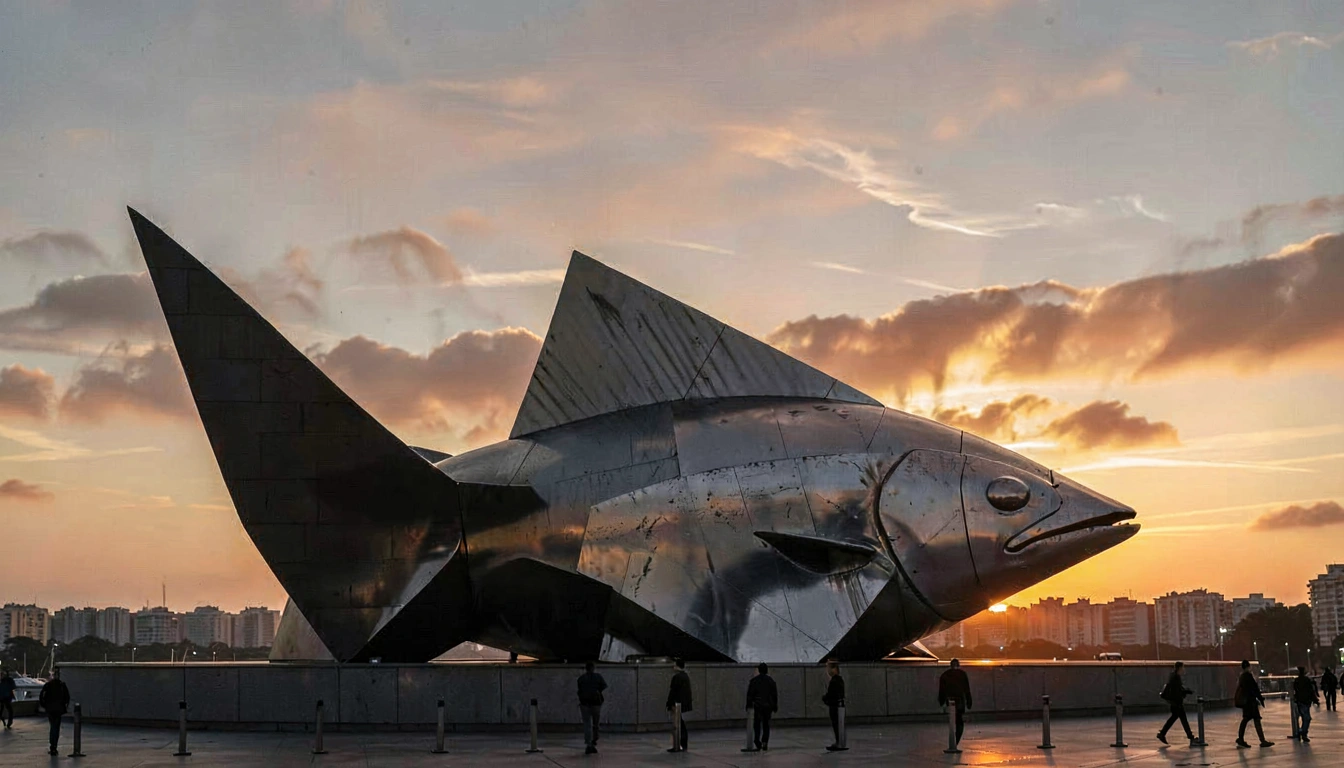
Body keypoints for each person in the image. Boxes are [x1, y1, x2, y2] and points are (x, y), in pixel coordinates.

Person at [1235, 659, 1274, 748]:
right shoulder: (1248, 676)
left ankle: (1241, 739)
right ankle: (1262, 740)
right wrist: (1260, 698)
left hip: (1246, 702)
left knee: (1246, 719)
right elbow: (1254, 688)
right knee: (1255, 720)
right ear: (1248, 667)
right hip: (1251, 702)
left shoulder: (1242, 677)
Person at [1156, 661, 1195, 745]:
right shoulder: (1175, 678)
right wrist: (1186, 692)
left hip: (1175, 702)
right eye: (1183, 667)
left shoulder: (1173, 676)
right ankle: (1162, 734)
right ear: (1180, 668)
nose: (1184, 669)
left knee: (1178, 719)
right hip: (1176, 703)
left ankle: (1162, 734)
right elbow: (1177, 691)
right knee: (1179, 719)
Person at [937, 659, 973, 746]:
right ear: (959, 665)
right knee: (959, 720)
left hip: (950, 700)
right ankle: (956, 741)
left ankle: (953, 741)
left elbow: (942, 690)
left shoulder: (945, 675)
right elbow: (967, 689)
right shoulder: (962, 674)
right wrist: (969, 701)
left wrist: (941, 701)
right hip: (960, 700)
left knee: (952, 719)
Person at [745, 662, 778, 751]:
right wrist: (775, 705)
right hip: (768, 706)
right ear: (766, 670)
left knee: (757, 724)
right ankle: (765, 742)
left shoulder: (754, 681)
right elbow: (774, 694)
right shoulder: (771, 681)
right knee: (766, 724)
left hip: (758, 705)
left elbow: (750, 694)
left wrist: (748, 704)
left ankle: (757, 740)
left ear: (759, 670)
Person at [576, 661, 607, 755]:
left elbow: (579, 690)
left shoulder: (581, 679)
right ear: (593, 668)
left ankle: (588, 743)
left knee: (587, 724)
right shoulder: (598, 677)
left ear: (586, 668)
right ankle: (594, 740)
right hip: (596, 703)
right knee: (595, 724)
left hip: (585, 704)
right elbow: (604, 686)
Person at [38, 667, 70, 756]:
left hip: (50, 709)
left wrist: (45, 706)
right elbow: (67, 697)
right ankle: (54, 746)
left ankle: (52, 746)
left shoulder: (47, 686)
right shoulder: (62, 685)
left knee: (52, 727)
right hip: (59, 709)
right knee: (56, 727)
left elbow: (41, 697)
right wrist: (64, 706)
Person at [665, 659, 692, 752]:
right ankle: (682, 744)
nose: (673, 667)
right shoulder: (685, 676)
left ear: (677, 666)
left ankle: (679, 745)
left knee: (678, 724)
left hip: (677, 704)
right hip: (683, 704)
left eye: (674, 665)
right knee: (681, 724)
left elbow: (673, 692)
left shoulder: (677, 677)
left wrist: (669, 703)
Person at [822, 661, 846, 751]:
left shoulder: (835, 681)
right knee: (838, 725)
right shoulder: (839, 680)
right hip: (839, 705)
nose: (828, 671)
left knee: (836, 724)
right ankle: (840, 742)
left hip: (835, 706)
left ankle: (839, 743)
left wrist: (825, 698)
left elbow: (832, 694)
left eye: (829, 668)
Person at [1292, 666, 1320, 742]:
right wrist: (1315, 700)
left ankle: (1301, 731)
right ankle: (1303, 732)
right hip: (1305, 701)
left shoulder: (1296, 681)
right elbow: (1311, 691)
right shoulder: (1306, 680)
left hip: (1299, 701)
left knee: (1303, 717)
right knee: (1307, 718)